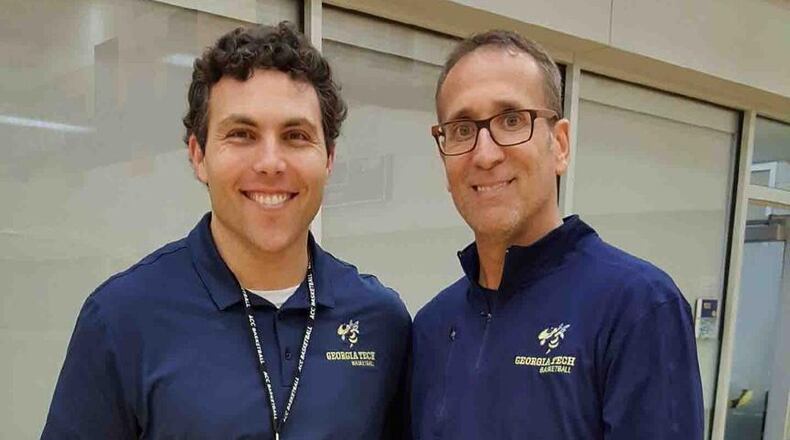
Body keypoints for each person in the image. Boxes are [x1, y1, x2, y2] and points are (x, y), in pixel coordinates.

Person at [42, 22, 410, 439]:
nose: (270, 163)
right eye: (241, 135)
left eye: (295, 136)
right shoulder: (122, 319)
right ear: (198, 156)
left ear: (328, 159)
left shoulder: (381, 321)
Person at [410, 29, 704, 439]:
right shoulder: (432, 327)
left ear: (560, 144)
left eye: (511, 120)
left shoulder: (637, 308)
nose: (485, 153)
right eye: (461, 129)